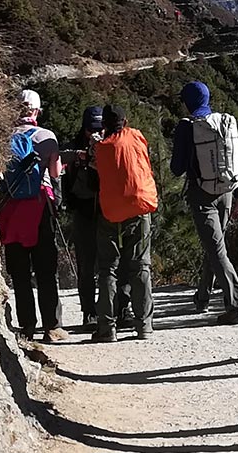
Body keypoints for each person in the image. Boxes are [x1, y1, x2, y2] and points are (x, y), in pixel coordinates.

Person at [171, 81, 238, 325]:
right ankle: (202, 298)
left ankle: (236, 306)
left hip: (201, 194)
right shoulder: (223, 123)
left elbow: (176, 168)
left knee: (216, 249)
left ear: (188, 102)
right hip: (227, 191)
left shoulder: (187, 127)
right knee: (215, 246)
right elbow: (236, 163)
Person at [0, 89, 68, 343]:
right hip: (39, 207)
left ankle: (27, 326)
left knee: (19, 271)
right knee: (45, 269)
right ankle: (52, 326)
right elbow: (55, 173)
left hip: (11, 210)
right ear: (37, 111)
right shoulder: (47, 137)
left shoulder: (3, 137)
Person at [91, 104, 159, 342]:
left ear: (104, 124)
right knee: (140, 265)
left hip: (111, 210)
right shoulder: (137, 135)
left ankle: (107, 327)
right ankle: (144, 325)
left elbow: (97, 167)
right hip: (141, 204)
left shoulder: (101, 147)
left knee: (108, 268)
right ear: (125, 120)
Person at [60, 105, 106, 328]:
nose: (95, 134)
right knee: (86, 265)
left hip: (107, 210)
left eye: (99, 128)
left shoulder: (109, 144)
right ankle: (89, 312)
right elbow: (57, 156)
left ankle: (112, 309)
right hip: (83, 209)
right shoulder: (74, 147)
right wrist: (80, 155)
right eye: (91, 129)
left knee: (109, 263)